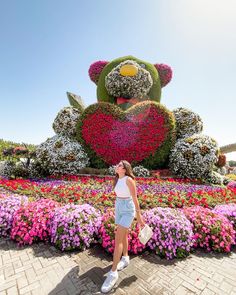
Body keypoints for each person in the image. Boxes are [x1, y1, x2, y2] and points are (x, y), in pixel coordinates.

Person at [101, 160, 146, 293]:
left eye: (120, 165)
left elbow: (135, 198)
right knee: (123, 235)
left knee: (118, 239)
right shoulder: (116, 179)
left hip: (128, 209)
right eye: (118, 165)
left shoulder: (128, 180)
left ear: (125, 169)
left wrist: (139, 216)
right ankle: (125, 258)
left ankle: (113, 272)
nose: (117, 166)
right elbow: (119, 195)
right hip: (119, 207)